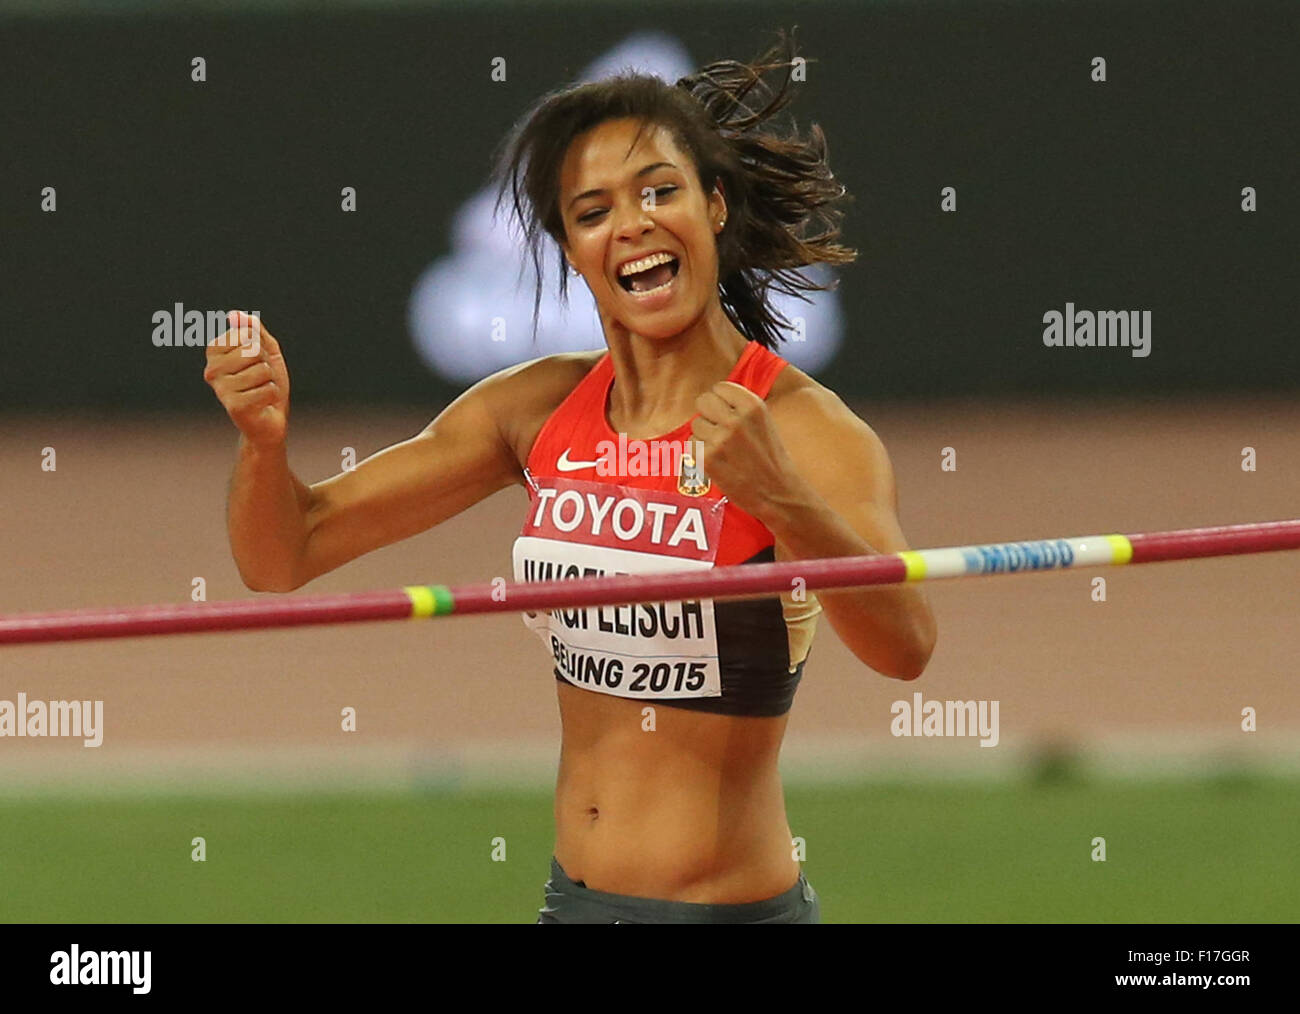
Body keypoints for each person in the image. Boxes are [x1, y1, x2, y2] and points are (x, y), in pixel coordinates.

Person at [203, 30, 936, 924]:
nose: (631, 225)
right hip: (573, 904)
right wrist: (263, 444)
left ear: (712, 207)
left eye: (659, 191)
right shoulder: (534, 408)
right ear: (572, 248)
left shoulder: (801, 428)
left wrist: (780, 496)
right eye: (593, 212)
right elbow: (285, 554)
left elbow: (906, 647)